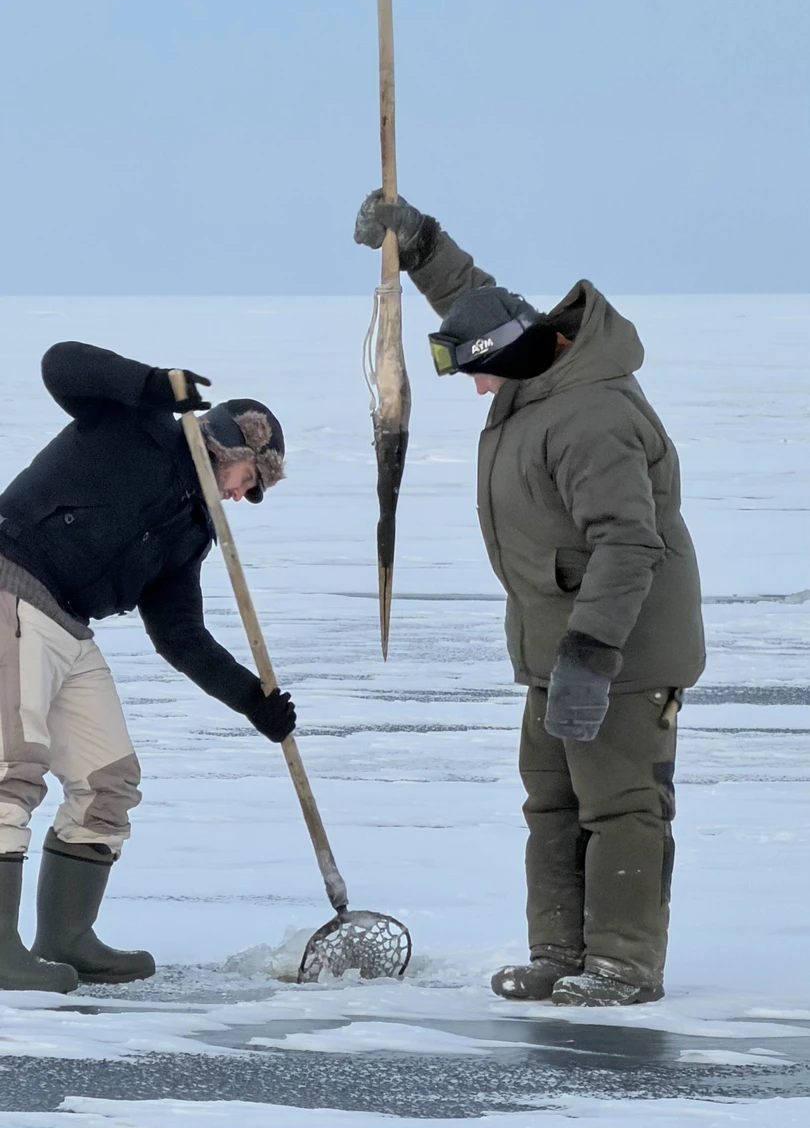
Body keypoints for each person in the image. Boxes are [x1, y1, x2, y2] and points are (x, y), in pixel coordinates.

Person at [355, 192, 705, 1006]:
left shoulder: (590, 414)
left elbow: (629, 542)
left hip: (621, 649)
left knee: (619, 804)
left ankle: (622, 964)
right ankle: (559, 951)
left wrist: (590, 656)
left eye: (478, 373)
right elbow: (477, 301)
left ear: (512, 359)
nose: (477, 389)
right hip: (556, 641)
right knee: (551, 800)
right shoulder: (533, 364)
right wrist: (419, 243)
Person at [0, 341, 296, 994]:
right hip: (12, 581)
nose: (244, 495)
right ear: (228, 445)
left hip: (69, 621)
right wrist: (153, 385)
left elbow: (181, 637)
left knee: (109, 778)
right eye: (249, 477)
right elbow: (59, 364)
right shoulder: (137, 427)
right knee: (12, 769)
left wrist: (253, 701)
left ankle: (66, 938)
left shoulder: (190, 534)